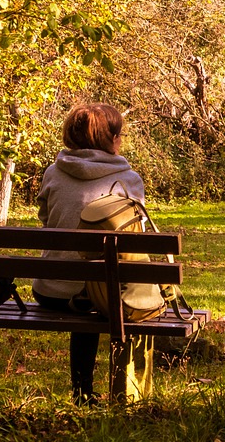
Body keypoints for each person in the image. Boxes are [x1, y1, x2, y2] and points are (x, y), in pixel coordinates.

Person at [33, 102, 145, 403]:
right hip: (98, 298)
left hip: (49, 291)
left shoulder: (53, 173)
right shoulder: (128, 180)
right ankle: (114, 392)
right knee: (100, 295)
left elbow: (46, 219)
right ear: (109, 139)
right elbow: (135, 239)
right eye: (119, 134)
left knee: (89, 291)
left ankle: (82, 391)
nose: (122, 139)